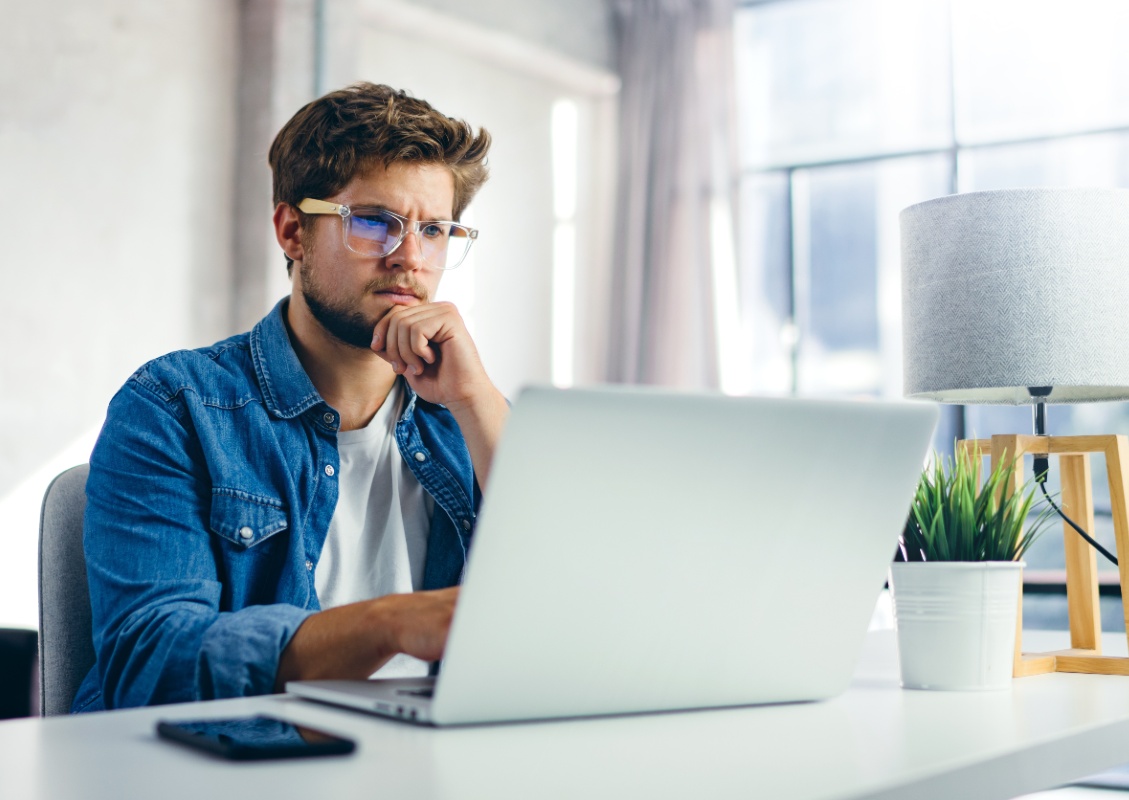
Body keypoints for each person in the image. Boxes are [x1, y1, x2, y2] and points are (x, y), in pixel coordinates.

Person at [73, 83, 509, 712]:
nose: (410, 258)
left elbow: (580, 607)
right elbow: (150, 663)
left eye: (434, 229)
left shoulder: (467, 416)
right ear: (292, 231)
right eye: (373, 222)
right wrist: (389, 623)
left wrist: (476, 401)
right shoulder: (175, 407)